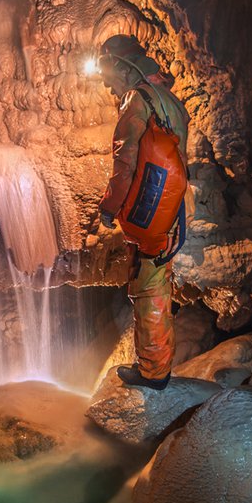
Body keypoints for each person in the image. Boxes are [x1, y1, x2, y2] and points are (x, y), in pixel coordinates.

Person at [96, 34, 190, 390]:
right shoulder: (169, 101)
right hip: (171, 209)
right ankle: (158, 365)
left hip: (152, 213)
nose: (106, 83)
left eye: (107, 72)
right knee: (159, 283)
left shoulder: (137, 101)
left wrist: (110, 208)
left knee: (147, 288)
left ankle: (153, 373)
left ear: (124, 66)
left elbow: (126, 164)